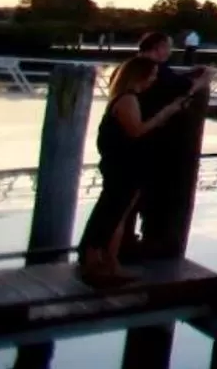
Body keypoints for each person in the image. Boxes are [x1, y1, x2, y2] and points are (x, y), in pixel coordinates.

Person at [77, 56, 193, 286]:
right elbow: (136, 131)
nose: (153, 79)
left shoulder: (129, 98)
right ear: (139, 75)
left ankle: (109, 262)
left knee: (116, 215)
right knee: (110, 213)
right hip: (122, 167)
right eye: (151, 75)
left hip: (127, 166)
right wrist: (166, 112)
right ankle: (95, 261)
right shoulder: (127, 99)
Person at [127, 29, 209, 259]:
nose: (170, 52)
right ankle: (144, 245)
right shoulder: (152, 70)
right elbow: (180, 88)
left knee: (128, 198)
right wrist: (202, 80)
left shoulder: (133, 66)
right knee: (142, 196)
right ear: (159, 47)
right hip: (148, 141)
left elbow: (172, 81)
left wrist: (189, 75)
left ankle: (122, 244)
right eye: (168, 47)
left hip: (133, 141)